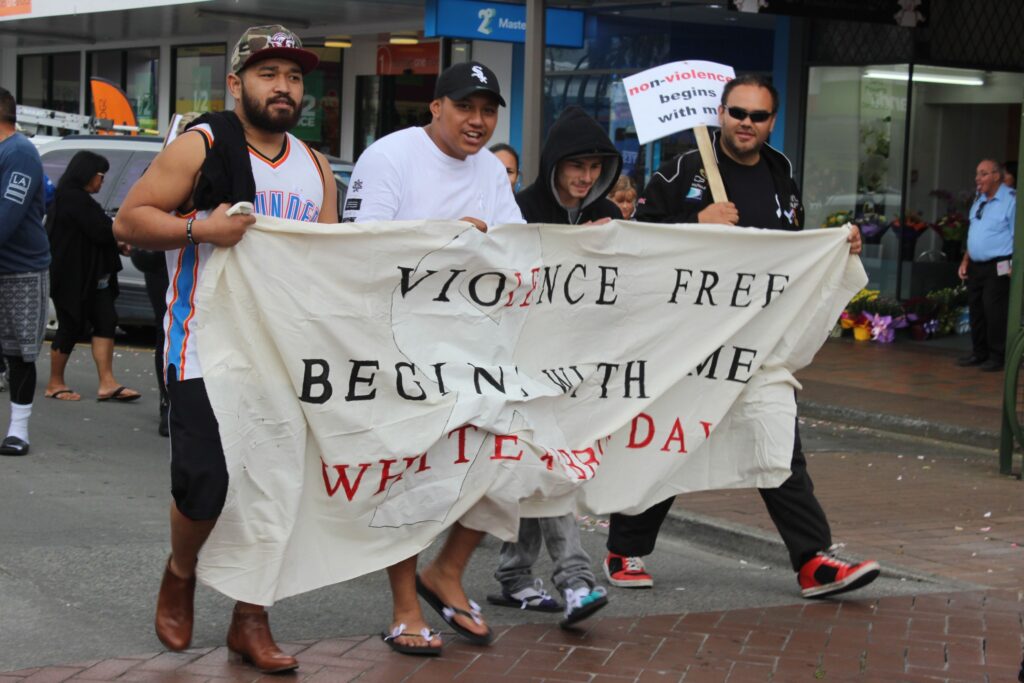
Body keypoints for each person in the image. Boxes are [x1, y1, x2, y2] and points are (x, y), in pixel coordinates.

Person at [113, 25, 337, 672]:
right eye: (269, 74)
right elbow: (130, 220)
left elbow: (331, 255)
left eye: (293, 77)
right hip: (203, 342)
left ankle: (250, 616)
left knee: (272, 489)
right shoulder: (202, 144)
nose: (284, 87)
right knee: (205, 482)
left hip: (281, 351)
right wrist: (201, 227)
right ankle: (182, 569)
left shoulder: (315, 164)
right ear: (237, 84)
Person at [606, 73, 880, 600]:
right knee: (671, 441)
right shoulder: (684, 170)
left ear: (772, 121)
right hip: (688, 340)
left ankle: (812, 560)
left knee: (776, 440)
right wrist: (697, 220)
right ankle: (625, 547)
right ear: (721, 114)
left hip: (757, 340)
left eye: (758, 115)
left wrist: (835, 248)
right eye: (737, 113)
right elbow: (637, 239)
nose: (746, 123)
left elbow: (791, 252)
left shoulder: (781, 173)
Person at [342, 60, 523, 656]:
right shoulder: (389, 158)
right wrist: (443, 236)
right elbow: (359, 249)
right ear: (436, 107)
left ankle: (447, 571)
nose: (478, 121)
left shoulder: (490, 170)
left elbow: (515, 244)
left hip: (475, 345)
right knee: (406, 476)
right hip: (398, 345)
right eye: (465, 107)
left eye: (488, 110)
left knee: (504, 459)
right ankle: (405, 608)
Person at [487, 105, 620, 627]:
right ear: (555, 165)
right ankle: (576, 580)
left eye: (595, 167)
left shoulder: (605, 211)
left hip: (578, 363)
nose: (586, 177)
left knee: (538, 467)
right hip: (521, 361)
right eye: (576, 166)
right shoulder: (521, 208)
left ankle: (515, 573)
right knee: (552, 465)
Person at [44, 151, 141, 403]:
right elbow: (100, 230)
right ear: (86, 174)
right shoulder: (71, 198)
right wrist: (118, 238)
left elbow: (99, 232)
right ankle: (55, 383)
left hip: (95, 276)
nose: (102, 181)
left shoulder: (80, 199)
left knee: (106, 320)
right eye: (100, 176)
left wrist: (116, 242)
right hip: (72, 277)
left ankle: (107, 383)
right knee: (71, 324)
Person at [0, 87, 49, 457]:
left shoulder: (19, 152)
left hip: (20, 270)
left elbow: (7, 217)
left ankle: (19, 430)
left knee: (19, 353)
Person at [957, 159, 1015, 372]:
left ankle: (997, 356)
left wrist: (1015, 264)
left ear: (996, 176)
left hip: (999, 264)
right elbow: (974, 233)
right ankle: (979, 352)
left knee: (994, 310)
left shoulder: (1012, 200)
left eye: (983, 174)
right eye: (977, 174)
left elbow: (1018, 236)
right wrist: (965, 260)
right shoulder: (979, 200)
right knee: (976, 310)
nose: (977, 178)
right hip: (976, 265)